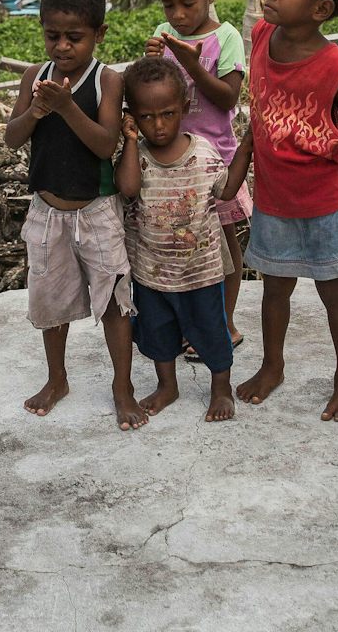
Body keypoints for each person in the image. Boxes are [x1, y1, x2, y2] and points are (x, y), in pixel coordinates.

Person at [220, 0, 338, 421]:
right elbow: (260, 115)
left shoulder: (335, 66)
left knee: (334, 290)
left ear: (321, 8)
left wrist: (318, 144)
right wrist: (245, 161)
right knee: (274, 287)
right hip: (275, 198)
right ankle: (272, 365)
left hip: (326, 199)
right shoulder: (263, 37)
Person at [3, 0, 144, 430]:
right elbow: (11, 138)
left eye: (74, 37)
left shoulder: (108, 80)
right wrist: (36, 111)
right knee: (50, 300)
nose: (62, 47)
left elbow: (105, 145)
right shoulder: (34, 77)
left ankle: (122, 388)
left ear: (99, 35)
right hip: (46, 211)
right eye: (52, 35)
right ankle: (57, 378)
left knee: (113, 302)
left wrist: (66, 108)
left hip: (96, 210)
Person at [114, 57, 235, 423]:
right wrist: (131, 141)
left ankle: (221, 389)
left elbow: (227, 192)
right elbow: (129, 188)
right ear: (131, 116)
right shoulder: (138, 158)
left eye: (167, 113)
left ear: (184, 106)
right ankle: (168, 385)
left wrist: (244, 152)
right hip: (152, 273)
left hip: (201, 272)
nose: (159, 125)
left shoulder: (203, 154)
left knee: (211, 333)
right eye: (146, 117)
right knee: (158, 336)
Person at [144, 0, 250, 343]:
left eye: (188, 3)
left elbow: (227, 98)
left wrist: (190, 63)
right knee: (181, 249)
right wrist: (151, 62)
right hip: (170, 166)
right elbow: (151, 91)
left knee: (222, 249)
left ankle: (224, 322)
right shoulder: (164, 34)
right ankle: (192, 323)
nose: (178, 15)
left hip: (215, 165)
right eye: (169, 6)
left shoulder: (226, 37)